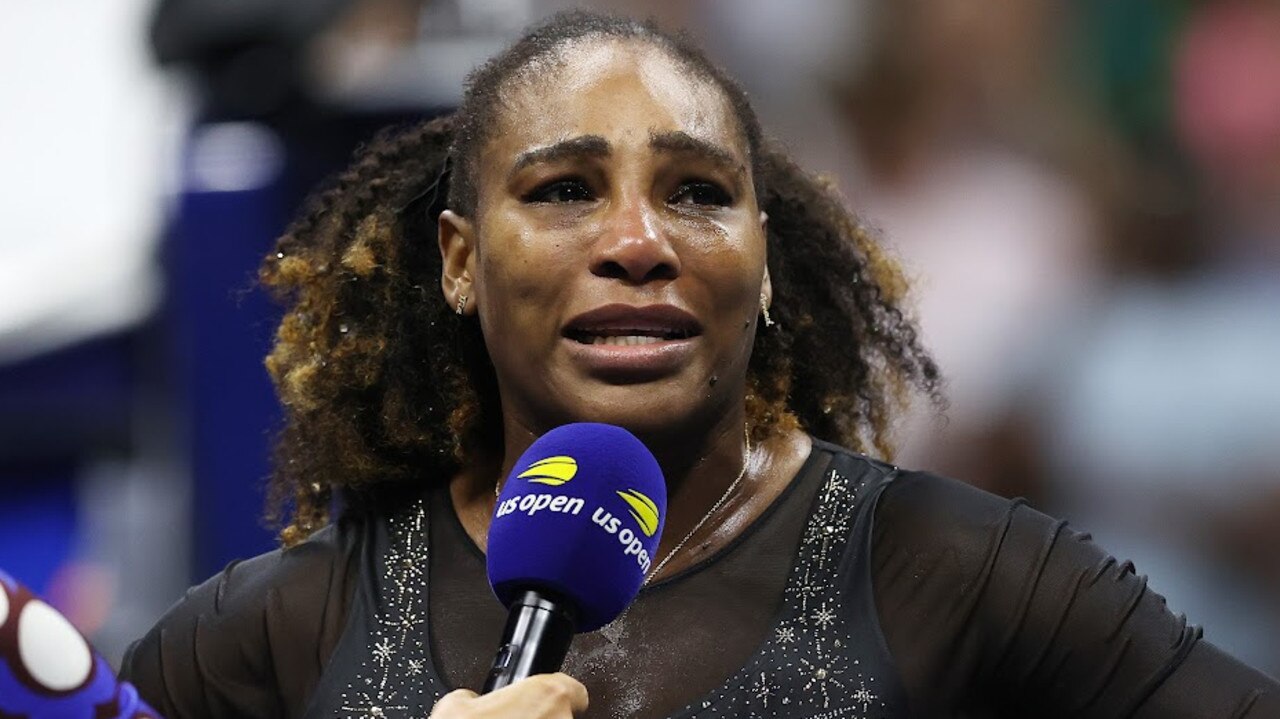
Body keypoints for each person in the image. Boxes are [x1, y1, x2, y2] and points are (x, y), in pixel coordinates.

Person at [121, 10, 1280, 718]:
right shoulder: (284, 627)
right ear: (461, 260)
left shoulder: (958, 573)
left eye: (698, 194)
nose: (638, 242)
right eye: (565, 190)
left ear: (765, 263)